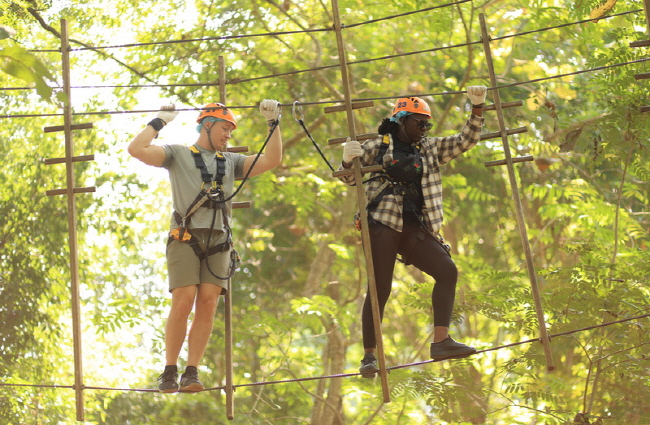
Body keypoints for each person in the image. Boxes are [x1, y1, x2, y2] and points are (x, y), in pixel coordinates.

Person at [128, 100, 283, 392]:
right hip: (186, 236)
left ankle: (192, 371)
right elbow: (136, 150)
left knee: (208, 303)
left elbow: (271, 160)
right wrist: (159, 121)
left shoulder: (230, 162)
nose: (228, 136)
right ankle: (170, 370)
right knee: (184, 299)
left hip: (219, 240)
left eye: (231, 131)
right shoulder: (178, 154)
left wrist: (274, 124)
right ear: (208, 125)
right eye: (225, 128)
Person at [339, 87, 487, 377]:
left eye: (427, 124)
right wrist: (347, 159)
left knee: (447, 271)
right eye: (419, 123)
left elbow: (465, 140)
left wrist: (478, 108)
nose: (424, 128)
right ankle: (369, 357)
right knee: (380, 287)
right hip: (382, 222)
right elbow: (347, 178)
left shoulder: (429, 148)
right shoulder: (376, 147)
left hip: (415, 227)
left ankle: (441, 341)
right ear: (402, 120)